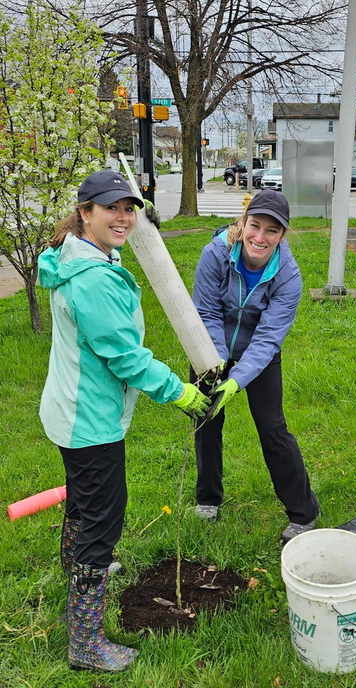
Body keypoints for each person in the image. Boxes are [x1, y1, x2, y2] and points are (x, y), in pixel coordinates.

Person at [38, 170, 210, 672]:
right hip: (88, 421)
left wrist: (139, 231)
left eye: (129, 208)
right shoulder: (91, 278)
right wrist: (182, 393)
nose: (123, 217)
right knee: (102, 519)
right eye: (111, 208)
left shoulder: (82, 257)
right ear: (85, 211)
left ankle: (76, 568)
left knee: (84, 501)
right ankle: (86, 642)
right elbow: (126, 358)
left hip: (70, 408)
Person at [190, 189, 320, 543]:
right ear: (243, 223)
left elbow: (267, 339)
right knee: (206, 420)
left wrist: (238, 380)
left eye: (272, 231)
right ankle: (208, 500)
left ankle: (304, 512)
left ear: (282, 235)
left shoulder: (288, 276)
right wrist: (216, 365)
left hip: (258, 352)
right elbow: (206, 311)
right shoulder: (216, 253)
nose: (260, 238)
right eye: (255, 226)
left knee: (272, 428)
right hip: (208, 347)